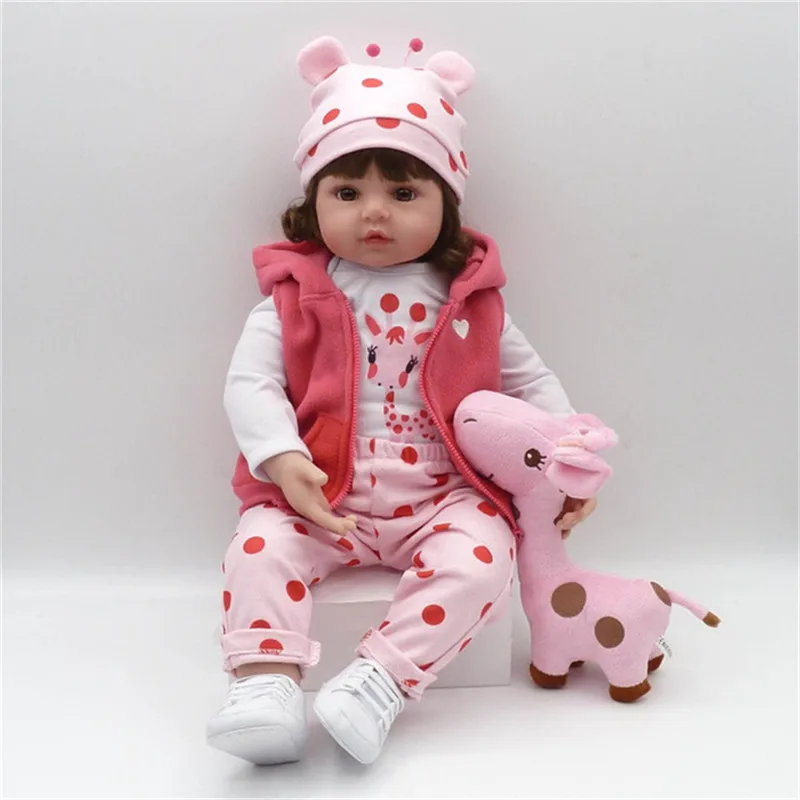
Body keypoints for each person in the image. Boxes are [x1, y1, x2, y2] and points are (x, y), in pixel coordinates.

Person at [206, 35, 596, 767]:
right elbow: (250, 383)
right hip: (324, 492)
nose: (374, 214)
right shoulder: (294, 297)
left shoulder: (472, 301)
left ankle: (378, 680)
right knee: (260, 548)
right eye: (347, 193)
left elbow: (532, 384)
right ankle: (263, 684)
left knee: (482, 557)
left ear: (447, 204)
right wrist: (282, 459)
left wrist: (566, 459)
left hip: (443, 493)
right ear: (313, 202)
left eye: (404, 193)